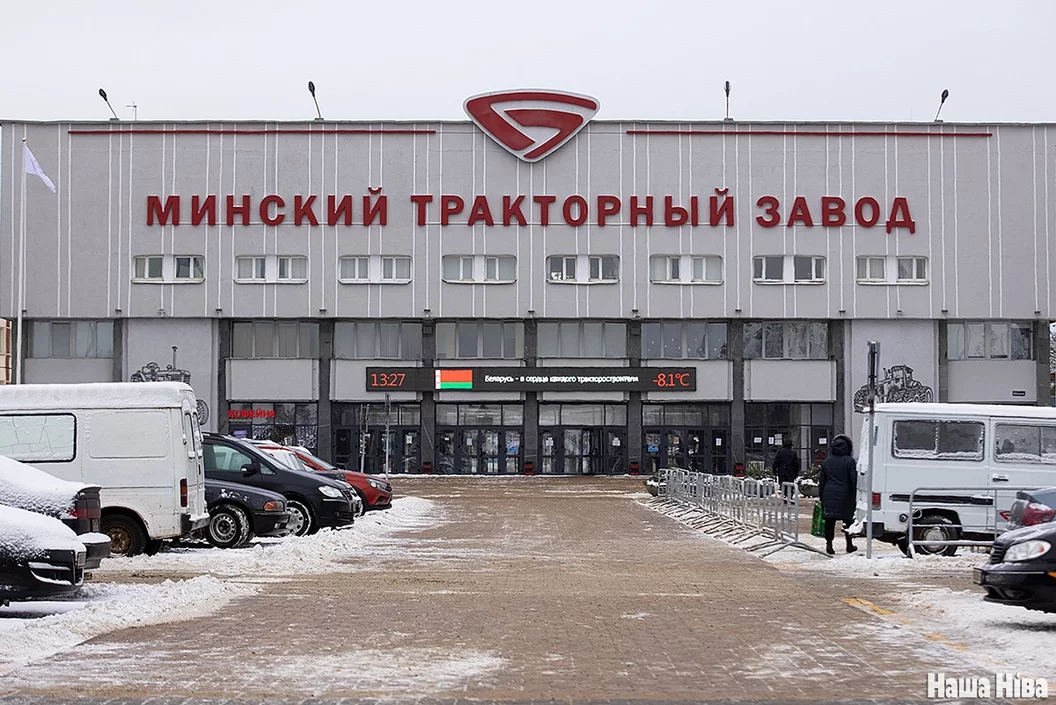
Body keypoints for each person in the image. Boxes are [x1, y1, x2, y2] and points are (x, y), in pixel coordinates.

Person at [819, 434, 858, 555]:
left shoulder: (826, 462)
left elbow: (822, 481)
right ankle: (849, 544)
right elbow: (853, 480)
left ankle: (829, 544)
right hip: (846, 494)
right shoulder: (850, 461)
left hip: (829, 494)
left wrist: (822, 497)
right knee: (848, 520)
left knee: (830, 522)